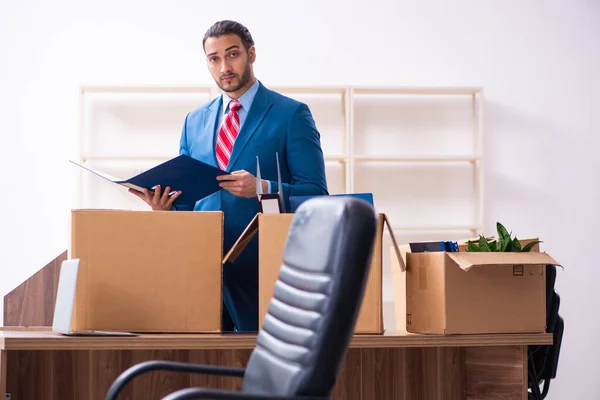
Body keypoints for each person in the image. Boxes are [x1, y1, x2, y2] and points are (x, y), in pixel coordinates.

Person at [129, 20, 329, 332]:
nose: (224, 66)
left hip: (264, 270)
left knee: (262, 371)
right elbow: (189, 202)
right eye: (214, 59)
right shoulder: (194, 121)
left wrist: (262, 188)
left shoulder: (291, 114)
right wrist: (165, 207)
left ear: (251, 53)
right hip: (201, 269)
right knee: (204, 363)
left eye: (232, 54)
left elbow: (316, 194)